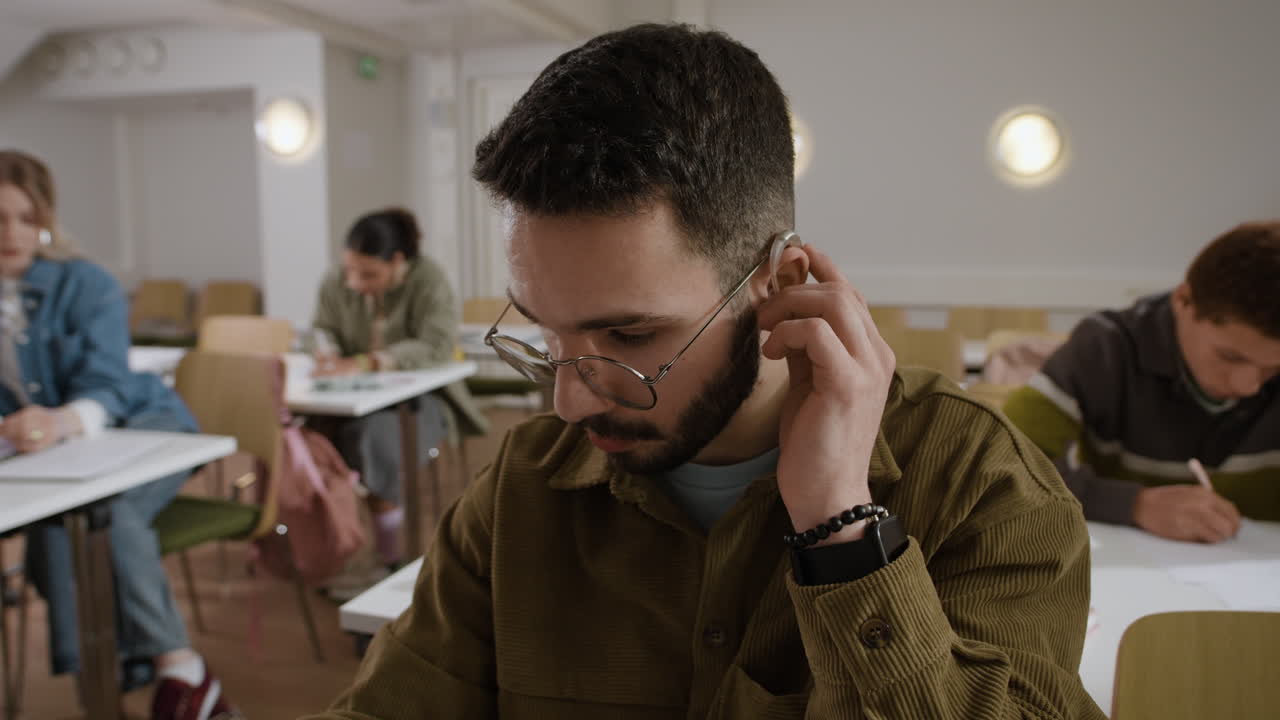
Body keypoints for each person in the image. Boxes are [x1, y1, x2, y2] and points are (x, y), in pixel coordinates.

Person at [306, 25, 1101, 719]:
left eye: (629, 333)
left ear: (779, 283)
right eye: (546, 329)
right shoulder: (521, 492)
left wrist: (841, 529)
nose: (569, 400)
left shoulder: (981, 486)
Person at [0, 150, 237, 720]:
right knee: (58, 531)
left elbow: (107, 385)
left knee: (107, 516)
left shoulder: (88, 283)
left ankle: (178, 669)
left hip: (147, 425)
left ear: (46, 218)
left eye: (25, 218)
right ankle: (136, 678)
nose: (11, 233)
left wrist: (57, 422)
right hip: (55, 450)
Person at [1005, 222, 1280, 542]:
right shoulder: (1105, 348)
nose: (1248, 386)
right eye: (1230, 356)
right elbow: (1003, 468)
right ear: (1184, 300)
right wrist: (1134, 504)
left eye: (1273, 367)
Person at [310, 208, 488, 581]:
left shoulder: (429, 280)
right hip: (348, 399)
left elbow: (436, 345)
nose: (355, 283)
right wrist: (326, 351)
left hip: (421, 399)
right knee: (305, 440)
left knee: (376, 440)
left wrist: (368, 362)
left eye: (368, 275)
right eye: (350, 270)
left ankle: (389, 556)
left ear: (397, 261)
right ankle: (327, 547)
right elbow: (321, 328)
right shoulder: (338, 279)